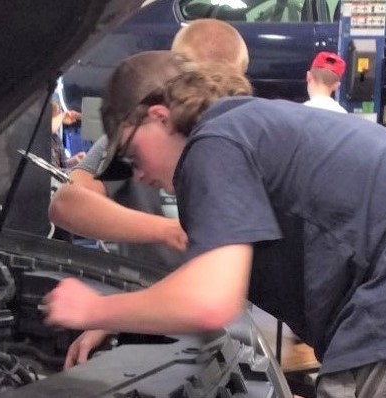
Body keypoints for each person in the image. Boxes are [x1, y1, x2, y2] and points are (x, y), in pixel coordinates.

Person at [45, 50, 386, 397]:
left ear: (158, 117)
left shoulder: (214, 144)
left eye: (130, 153)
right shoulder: (251, 126)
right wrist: (132, 316)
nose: (135, 173)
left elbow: (209, 302)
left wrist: (96, 308)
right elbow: (211, 277)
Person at [48, 19, 250, 368]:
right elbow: (68, 203)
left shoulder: (235, 141)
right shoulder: (141, 137)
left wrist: (106, 312)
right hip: (152, 315)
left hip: (220, 324)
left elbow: (213, 296)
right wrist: (165, 230)